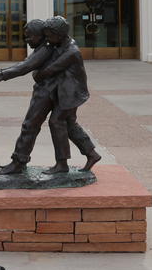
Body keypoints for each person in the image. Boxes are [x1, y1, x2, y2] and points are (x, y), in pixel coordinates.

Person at [0, 19, 62, 174]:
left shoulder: (46, 49)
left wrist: (2, 74)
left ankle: (19, 162)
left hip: (47, 92)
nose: (26, 40)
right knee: (66, 125)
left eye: (30, 36)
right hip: (46, 90)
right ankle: (90, 152)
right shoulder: (43, 48)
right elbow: (25, 63)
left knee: (30, 126)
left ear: (41, 36)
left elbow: (25, 67)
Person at [33, 16, 101, 174]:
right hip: (64, 92)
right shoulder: (60, 45)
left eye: (49, 36)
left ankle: (62, 163)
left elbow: (48, 71)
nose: (47, 40)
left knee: (56, 122)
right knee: (70, 124)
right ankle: (92, 154)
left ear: (60, 35)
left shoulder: (71, 52)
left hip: (71, 94)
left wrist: (36, 71)